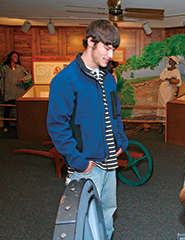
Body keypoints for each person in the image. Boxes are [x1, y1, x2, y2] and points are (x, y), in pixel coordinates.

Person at [47, 19, 128, 239]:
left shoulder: (109, 78)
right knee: (84, 224)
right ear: (91, 42)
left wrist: (121, 140)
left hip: (110, 162)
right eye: (107, 48)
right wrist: (78, 161)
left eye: (113, 49)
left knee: (107, 215)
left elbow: (115, 114)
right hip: (86, 165)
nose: (111, 55)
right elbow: (57, 126)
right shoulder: (65, 80)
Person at [0, 51, 32, 132]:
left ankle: (20, 126)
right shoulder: (4, 69)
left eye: (17, 57)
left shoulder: (21, 68)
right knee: (7, 109)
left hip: (18, 91)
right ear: (10, 57)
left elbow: (29, 75)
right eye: (14, 57)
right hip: (8, 92)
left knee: (19, 110)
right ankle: (6, 125)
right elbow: (1, 79)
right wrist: (2, 90)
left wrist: (23, 79)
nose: (16, 58)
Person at [156, 56, 182, 120]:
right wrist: (168, 78)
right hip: (163, 87)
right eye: (169, 59)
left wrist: (177, 92)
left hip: (169, 88)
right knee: (161, 104)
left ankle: (166, 122)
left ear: (174, 62)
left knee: (167, 103)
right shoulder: (166, 69)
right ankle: (161, 124)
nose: (169, 61)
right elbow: (161, 77)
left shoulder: (176, 71)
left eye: (171, 59)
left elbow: (179, 82)